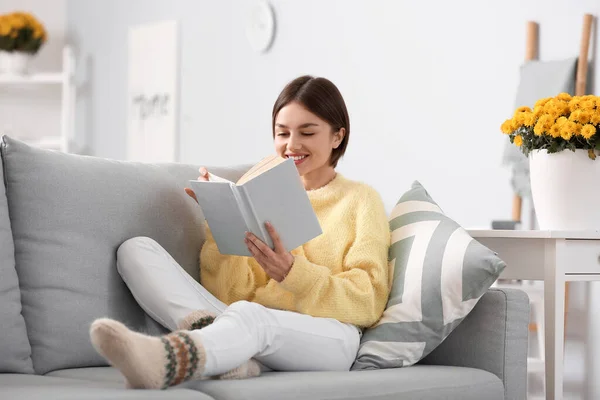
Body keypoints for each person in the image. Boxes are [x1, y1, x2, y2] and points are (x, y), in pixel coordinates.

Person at [89, 75, 391, 390]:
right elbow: (229, 296)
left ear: (337, 137)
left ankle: (170, 359)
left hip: (331, 336)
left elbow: (367, 301)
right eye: (282, 133)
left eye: (307, 132)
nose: (291, 145)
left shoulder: (361, 200)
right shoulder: (260, 192)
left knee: (251, 316)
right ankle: (228, 352)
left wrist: (293, 273)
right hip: (248, 323)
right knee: (136, 251)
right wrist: (221, 223)